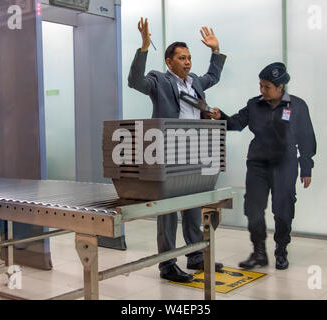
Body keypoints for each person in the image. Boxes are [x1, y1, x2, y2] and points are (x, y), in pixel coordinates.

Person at [128, 17, 227, 282]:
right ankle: (167, 264)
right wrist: (144, 47)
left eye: (189, 58)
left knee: (193, 205)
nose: (187, 62)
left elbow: (213, 76)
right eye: (182, 58)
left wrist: (215, 51)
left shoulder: (194, 81)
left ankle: (195, 256)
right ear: (169, 62)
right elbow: (135, 81)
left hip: (194, 149)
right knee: (169, 210)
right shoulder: (158, 80)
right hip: (169, 151)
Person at [209, 62, 316, 270]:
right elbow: (236, 123)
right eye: (260, 85)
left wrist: (306, 167)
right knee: (253, 208)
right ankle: (259, 253)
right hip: (258, 163)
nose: (262, 90)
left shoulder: (297, 106)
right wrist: (220, 116)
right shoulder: (254, 104)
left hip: (285, 163)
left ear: (280, 87)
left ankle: (281, 251)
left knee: (283, 210)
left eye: (266, 87)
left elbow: (306, 137)